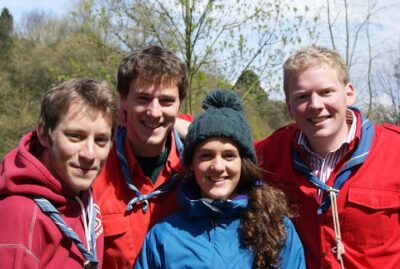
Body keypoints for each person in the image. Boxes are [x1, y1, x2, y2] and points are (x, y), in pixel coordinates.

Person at [254, 46, 400, 269]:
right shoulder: (271, 153)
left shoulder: (393, 150)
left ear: (349, 93)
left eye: (326, 92)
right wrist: (180, 123)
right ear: (289, 106)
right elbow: (218, 149)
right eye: (302, 96)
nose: (315, 105)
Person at [135, 89, 306, 269]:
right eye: (206, 156)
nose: (217, 166)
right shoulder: (163, 237)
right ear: (192, 163)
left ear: (243, 163)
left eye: (229, 156)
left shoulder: (277, 229)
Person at [0, 78, 119, 268]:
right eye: (75, 136)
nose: (89, 154)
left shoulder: (82, 195)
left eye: (101, 140)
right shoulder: (20, 216)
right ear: (45, 135)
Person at [92, 44, 192, 269]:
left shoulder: (201, 168)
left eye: (166, 101)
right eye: (143, 99)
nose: (155, 112)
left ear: (179, 103)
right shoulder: (93, 168)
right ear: (123, 100)